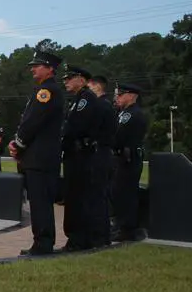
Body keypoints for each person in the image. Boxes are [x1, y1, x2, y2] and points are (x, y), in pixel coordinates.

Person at [8, 50, 65, 256]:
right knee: (39, 203)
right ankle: (41, 242)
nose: (33, 68)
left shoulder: (47, 92)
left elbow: (33, 122)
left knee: (41, 203)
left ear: (50, 68)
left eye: (38, 65)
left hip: (40, 156)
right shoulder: (43, 90)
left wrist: (18, 144)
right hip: (39, 156)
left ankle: (43, 245)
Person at [61, 65, 109, 251]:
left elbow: (75, 127)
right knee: (74, 197)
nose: (65, 81)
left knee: (78, 198)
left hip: (81, 155)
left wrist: (62, 134)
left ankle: (79, 240)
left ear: (81, 79)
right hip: (75, 154)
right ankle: (77, 239)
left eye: (69, 77)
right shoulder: (78, 99)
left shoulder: (86, 99)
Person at [111, 83, 148, 242]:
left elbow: (119, 135)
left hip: (129, 158)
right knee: (118, 193)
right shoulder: (123, 113)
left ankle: (127, 228)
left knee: (127, 194)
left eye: (121, 95)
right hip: (121, 158)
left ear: (132, 96)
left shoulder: (133, 114)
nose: (117, 98)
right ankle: (120, 225)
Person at [88, 75, 118, 235]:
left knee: (99, 192)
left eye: (90, 86)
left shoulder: (101, 105)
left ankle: (100, 230)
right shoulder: (106, 105)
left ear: (97, 86)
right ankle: (102, 229)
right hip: (104, 152)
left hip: (100, 151)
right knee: (101, 192)